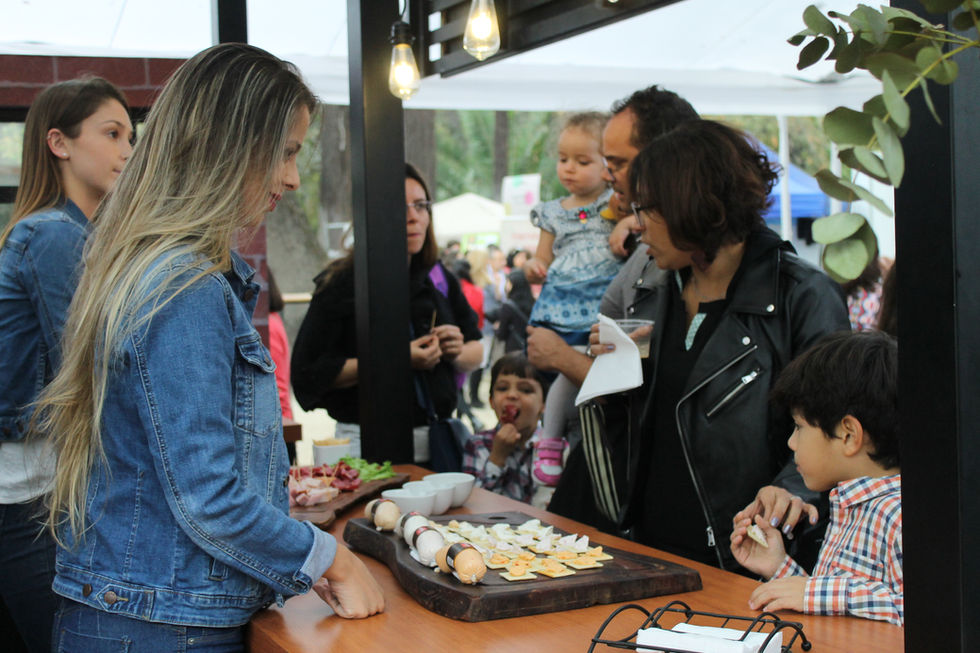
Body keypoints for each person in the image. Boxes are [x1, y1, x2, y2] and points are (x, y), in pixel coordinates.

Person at [36, 45, 384, 649]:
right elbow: (209, 496)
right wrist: (335, 560)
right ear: (229, 143)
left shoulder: (152, 267)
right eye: (286, 152)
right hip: (163, 625)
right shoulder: (184, 285)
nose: (293, 177)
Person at [611, 119, 850, 569]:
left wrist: (788, 495)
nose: (638, 226)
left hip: (747, 557)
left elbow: (837, 429)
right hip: (649, 543)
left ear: (688, 204)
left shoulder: (802, 296)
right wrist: (613, 373)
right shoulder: (652, 285)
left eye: (646, 209)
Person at [0, 76, 133, 653]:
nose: (129, 151)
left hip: (46, 487)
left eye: (132, 136)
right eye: (112, 133)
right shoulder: (53, 234)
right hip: (27, 492)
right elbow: (95, 372)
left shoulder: (79, 234)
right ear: (59, 143)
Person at [528, 86, 698, 533]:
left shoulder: (660, 259)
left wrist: (564, 359)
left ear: (666, 159)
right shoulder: (642, 252)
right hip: (622, 488)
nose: (609, 175)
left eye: (618, 163)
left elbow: (647, 399)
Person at [291, 164, 482, 463]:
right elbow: (308, 374)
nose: (412, 217)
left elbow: (476, 350)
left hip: (433, 447)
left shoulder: (436, 276)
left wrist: (454, 350)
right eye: (399, 206)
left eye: (420, 206)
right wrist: (395, 360)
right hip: (362, 448)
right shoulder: (341, 284)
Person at [730, 331, 902, 625]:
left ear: (848, 435)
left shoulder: (898, 515)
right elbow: (834, 609)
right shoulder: (850, 504)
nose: (791, 443)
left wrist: (813, 591)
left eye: (799, 427)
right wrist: (779, 567)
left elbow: (923, 612)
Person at [462, 353, 549, 504]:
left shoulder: (552, 449)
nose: (512, 395)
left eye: (526, 390)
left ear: (544, 404)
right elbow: (473, 505)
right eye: (502, 388)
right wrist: (497, 458)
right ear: (491, 401)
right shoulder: (478, 444)